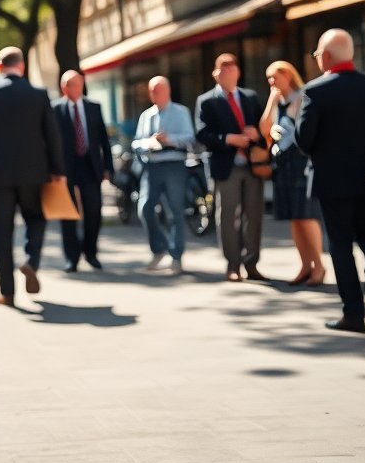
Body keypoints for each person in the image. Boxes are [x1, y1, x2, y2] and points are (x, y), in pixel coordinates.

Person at [296, 28, 365, 333]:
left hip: (333, 181)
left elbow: (304, 139)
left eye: (317, 54)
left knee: (341, 245)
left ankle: (353, 314)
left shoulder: (316, 91)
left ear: (325, 57)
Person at [0, 46, 66, 306]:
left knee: (1, 232)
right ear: (21, 66)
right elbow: (52, 135)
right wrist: (57, 171)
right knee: (36, 219)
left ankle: (7, 292)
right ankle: (31, 261)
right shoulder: (38, 95)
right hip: (34, 173)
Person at [195, 53, 267, 282]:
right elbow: (202, 133)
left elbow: (264, 128)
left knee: (254, 216)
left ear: (238, 71)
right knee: (227, 216)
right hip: (226, 167)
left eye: (232, 66)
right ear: (215, 73)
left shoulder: (250, 97)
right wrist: (228, 139)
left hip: (252, 165)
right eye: (223, 67)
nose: (228, 70)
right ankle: (232, 264)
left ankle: (252, 264)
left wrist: (256, 135)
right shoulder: (207, 101)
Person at [259, 60, 326, 287]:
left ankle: (319, 265)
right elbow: (264, 129)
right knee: (294, 218)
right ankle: (305, 265)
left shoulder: (302, 96)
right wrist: (271, 99)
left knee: (306, 216)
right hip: (282, 163)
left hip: (300, 161)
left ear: (287, 75)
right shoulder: (276, 100)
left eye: (274, 77)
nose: (271, 82)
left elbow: (307, 128)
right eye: (268, 78)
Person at [131, 76, 196, 275]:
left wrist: (169, 140)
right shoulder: (146, 115)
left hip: (174, 164)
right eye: (151, 90)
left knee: (175, 210)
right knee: (145, 208)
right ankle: (159, 248)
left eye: (157, 90)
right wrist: (148, 142)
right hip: (152, 166)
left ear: (167, 91)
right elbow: (136, 142)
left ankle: (176, 256)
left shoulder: (181, 112)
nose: (154, 94)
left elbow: (190, 137)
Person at [51, 70, 113, 272]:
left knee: (94, 210)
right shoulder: (55, 109)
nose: (75, 88)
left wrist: (107, 168)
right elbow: (50, 143)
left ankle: (91, 252)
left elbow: (104, 140)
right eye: (70, 85)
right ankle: (72, 257)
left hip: (90, 165)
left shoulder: (94, 107)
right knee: (68, 213)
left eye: (78, 84)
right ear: (63, 88)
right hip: (65, 169)